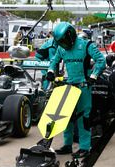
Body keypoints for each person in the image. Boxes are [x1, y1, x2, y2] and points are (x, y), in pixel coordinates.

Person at [46, 22, 106, 158]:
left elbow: (101, 60)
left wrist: (93, 76)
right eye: (60, 41)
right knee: (65, 116)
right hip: (68, 85)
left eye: (64, 40)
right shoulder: (61, 49)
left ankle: (85, 147)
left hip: (83, 86)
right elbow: (54, 62)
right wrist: (50, 71)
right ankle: (67, 145)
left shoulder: (85, 44)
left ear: (70, 35)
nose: (63, 43)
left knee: (83, 117)